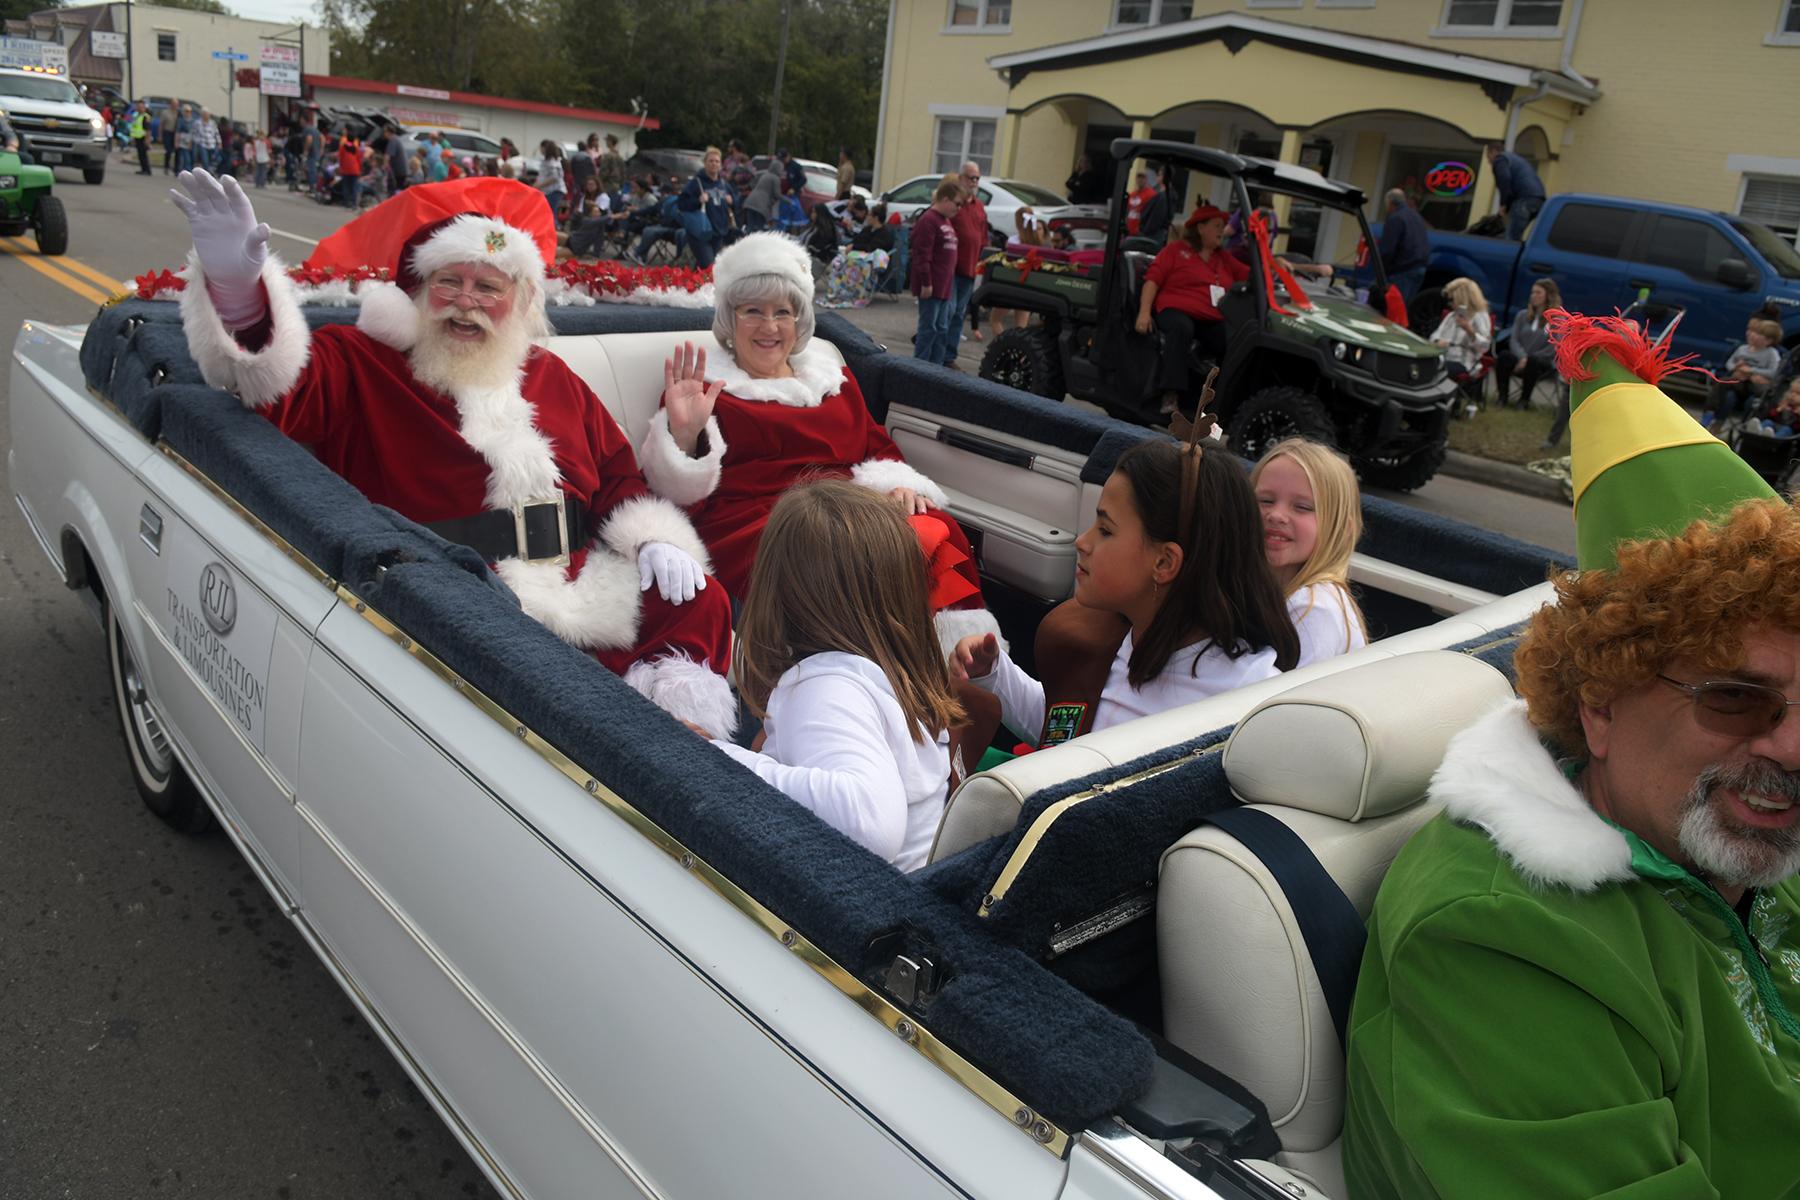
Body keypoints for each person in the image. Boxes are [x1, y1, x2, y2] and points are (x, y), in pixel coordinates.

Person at [1344, 310, 1800, 1199]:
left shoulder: (1743, 836)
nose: (1792, 744)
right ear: (1599, 703)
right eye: (1736, 696)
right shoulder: (1501, 937)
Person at [167, 169, 737, 738]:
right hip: (451, 586)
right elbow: (273, 388)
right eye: (449, 282)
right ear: (417, 290)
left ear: (518, 301)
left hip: (575, 573)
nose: (467, 304)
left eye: (489, 288)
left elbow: (614, 476)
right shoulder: (362, 363)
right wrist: (240, 295)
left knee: (697, 600)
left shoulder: (552, 376)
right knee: (537, 679)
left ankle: (685, 750)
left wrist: (654, 538)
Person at [633, 233, 993, 655]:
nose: (769, 327)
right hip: (762, 529)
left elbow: (876, 446)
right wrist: (685, 435)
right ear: (730, 321)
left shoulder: (832, 380)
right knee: (850, 557)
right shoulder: (702, 389)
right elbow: (673, 499)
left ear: (799, 320)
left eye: (782, 312)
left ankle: (961, 660)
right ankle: (887, 669)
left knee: (935, 527)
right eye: (752, 312)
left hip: (847, 510)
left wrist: (898, 483)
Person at [953, 433, 1298, 748]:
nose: (1083, 541)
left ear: (1164, 563)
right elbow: (1064, 730)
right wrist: (996, 674)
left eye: (1105, 529)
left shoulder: (1252, 698)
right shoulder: (1102, 638)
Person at [707, 481, 965, 871]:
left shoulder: (824, 688)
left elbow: (871, 825)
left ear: (780, 593)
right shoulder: (892, 671)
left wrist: (720, 757)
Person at [1250, 439, 1368, 668]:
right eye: (1265, 500)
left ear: (1342, 529)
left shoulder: (1314, 609)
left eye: (1302, 507)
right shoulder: (1258, 590)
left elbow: (1278, 700)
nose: (1276, 515)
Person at [1136, 205, 1251, 417]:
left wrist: (1272, 264)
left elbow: (1250, 274)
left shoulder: (1222, 257)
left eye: (1223, 226)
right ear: (1200, 228)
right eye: (1217, 225)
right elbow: (1152, 281)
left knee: (1232, 340)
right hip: (1174, 311)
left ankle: (1219, 400)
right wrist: (1144, 312)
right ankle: (1170, 394)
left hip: (1209, 317)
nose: (1222, 230)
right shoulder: (1176, 251)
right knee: (1182, 327)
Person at [909, 179, 961, 366]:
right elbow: (922, 254)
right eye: (957, 203)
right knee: (928, 328)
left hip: (945, 286)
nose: (959, 208)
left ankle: (936, 369)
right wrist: (926, 282)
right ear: (945, 199)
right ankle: (920, 368)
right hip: (932, 286)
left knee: (941, 328)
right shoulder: (928, 220)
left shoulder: (945, 220)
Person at [1491, 276, 1562, 409]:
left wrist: (1528, 359)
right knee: (1504, 356)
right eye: (1532, 292)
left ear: (1548, 295)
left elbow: (1554, 346)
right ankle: (1502, 397)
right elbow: (1514, 339)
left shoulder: (1556, 320)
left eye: (1538, 293)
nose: (1533, 296)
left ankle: (1524, 401)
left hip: (1541, 363)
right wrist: (1522, 357)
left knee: (1533, 361)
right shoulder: (1522, 316)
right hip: (1519, 360)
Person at [1704, 317, 1784, 432]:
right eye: (1754, 332)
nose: (1752, 335)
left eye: (1758, 334)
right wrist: (1736, 368)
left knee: (1752, 402)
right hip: (1738, 383)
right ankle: (1711, 414)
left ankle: (1745, 428)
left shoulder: (1772, 353)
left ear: (1768, 341)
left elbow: (1774, 371)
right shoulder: (1743, 349)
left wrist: (1751, 371)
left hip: (1755, 386)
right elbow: (1729, 363)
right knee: (1725, 388)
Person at [946, 161, 988, 363]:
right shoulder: (955, 204)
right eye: (971, 177)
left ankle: (949, 357)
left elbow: (983, 236)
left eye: (977, 178)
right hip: (951, 269)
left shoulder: (979, 206)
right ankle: (937, 357)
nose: (974, 182)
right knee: (949, 312)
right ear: (961, 178)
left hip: (970, 269)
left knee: (959, 314)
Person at [1428, 276, 1492, 397]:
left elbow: (1485, 347)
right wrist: (1438, 341)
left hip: (1464, 362)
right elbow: (1434, 336)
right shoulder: (1451, 316)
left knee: (1441, 370)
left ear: (1462, 298)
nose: (1450, 303)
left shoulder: (1480, 316)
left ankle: (1446, 401)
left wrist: (1469, 330)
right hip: (1443, 357)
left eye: (1452, 299)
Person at [677, 146, 735, 269]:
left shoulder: (724, 184)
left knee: (704, 269)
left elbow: (736, 204)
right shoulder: (696, 182)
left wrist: (732, 202)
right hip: (700, 233)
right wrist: (698, 200)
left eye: (717, 161)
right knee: (708, 266)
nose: (714, 164)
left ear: (721, 164)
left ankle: (692, 285)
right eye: (711, 161)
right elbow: (681, 204)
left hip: (719, 232)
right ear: (705, 163)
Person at [1375, 188, 1431, 305]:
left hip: (1402, 270)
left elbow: (1388, 249)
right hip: (1419, 268)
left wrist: (1381, 271)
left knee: (1393, 307)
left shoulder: (1395, 218)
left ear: (1390, 203)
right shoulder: (1416, 216)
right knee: (1404, 309)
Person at [1486, 142, 1546, 241]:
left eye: (1488, 156)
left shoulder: (1500, 159)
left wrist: (1503, 204)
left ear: (1493, 152)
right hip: (1539, 200)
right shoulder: (1516, 159)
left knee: (1510, 239)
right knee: (1516, 234)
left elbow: (1504, 179)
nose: (1488, 161)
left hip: (1524, 200)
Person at [742, 161, 782, 233]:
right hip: (760, 206)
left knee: (750, 227)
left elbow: (752, 185)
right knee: (759, 229)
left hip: (750, 202)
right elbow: (777, 194)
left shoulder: (764, 175)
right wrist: (788, 201)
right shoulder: (775, 178)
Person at [535, 141, 566, 229]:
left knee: (551, 212)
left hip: (553, 191)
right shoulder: (547, 161)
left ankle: (555, 229)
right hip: (548, 191)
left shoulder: (552, 162)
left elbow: (554, 177)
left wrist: (540, 185)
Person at [1124, 170, 1155, 236]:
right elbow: (1128, 211)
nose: (1140, 179)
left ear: (1146, 179)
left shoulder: (1151, 194)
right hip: (1129, 230)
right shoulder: (1132, 194)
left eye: (1143, 177)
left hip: (1141, 231)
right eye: (1139, 177)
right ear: (1136, 179)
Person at [596, 133, 625, 199]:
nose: (606, 142)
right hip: (617, 185)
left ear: (610, 142)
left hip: (607, 185)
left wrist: (598, 182)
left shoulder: (608, 156)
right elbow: (623, 172)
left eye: (607, 141)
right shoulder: (620, 157)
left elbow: (604, 172)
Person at [129, 101, 152, 176]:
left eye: (141, 107)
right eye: (138, 107)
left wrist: (147, 140)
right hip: (138, 137)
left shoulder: (145, 117)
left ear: (144, 108)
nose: (139, 108)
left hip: (143, 138)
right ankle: (143, 169)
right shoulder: (136, 116)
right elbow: (134, 127)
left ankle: (147, 170)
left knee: (143, 154)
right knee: (140, 154)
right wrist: (133, 137)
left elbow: (148, 130)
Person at [195, 108, 221, 175]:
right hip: (202, 144)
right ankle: (207, 174)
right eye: (204, 114)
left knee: (211, 160)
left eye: (207, 114)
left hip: (211, 144)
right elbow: (194, 133)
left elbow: (216, 133)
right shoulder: (198, 123)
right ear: (202, 115)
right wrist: (196, 142)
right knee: (205, 160)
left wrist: (219, 142)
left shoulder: (212, 123)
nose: (206, 116)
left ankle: (209, 171)